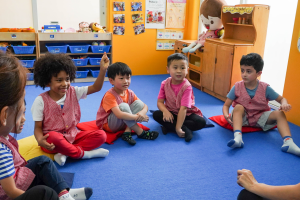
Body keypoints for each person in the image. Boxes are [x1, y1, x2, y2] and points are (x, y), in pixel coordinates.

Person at [0, 53, 92, 200]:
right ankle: (60, 194)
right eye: (21, 112)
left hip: (18, 174)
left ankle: (64, 193)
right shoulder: (2, 152)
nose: (24, 118)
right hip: (14, 190)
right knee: (45, 192)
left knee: (43, 162)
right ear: (4, 116)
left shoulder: (3, 135)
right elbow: (11, 193)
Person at [31, 53, 110, 166]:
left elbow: (96, 87)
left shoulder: (74, 91)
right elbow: (38, 128)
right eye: (59, 80)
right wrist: (40, 140)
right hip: (53, 143)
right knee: (54, 136)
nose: (65, 84)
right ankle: (86, 154)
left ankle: (67, 153)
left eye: (67, 79)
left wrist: (103, 70)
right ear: (48, 82)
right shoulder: (40, 101)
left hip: (73, 136)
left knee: (101, 135)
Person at [222, 53, 300, 156]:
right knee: (238, 107)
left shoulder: (265, 88)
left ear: (258, 73)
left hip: (260, 118)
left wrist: (285, 104)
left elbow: (282, 99)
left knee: (279, 114)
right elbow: (226, 105)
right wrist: (226, 115)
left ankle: (288, 143)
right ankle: (238, 138)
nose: (244, 74)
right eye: (242, 70)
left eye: (248, 71)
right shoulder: (237, 86)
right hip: (242, 118)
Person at [96, 62, 159, 146]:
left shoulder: (129, 92)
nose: (126, 81)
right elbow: (119, 115)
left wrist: (141, 114)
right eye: (121, 78)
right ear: (111, 80)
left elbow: (145, 106)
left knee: (139, 103)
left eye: (128, 78)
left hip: (123, 122)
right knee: (123, 106)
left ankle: (127, 132)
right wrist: (137, 117)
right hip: (110, 125)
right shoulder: (109, 95)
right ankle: (140, 132)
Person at [152, 53, 206, 142]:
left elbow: (184, 108)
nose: (179, 71)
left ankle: (170, 127)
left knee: (201, 122)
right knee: (156, 114)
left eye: (182, 68)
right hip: (171, 112)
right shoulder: (164, 83)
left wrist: (178, 128)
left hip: (187, 113)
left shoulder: (187, 86)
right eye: (175, 67)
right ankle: (185, 128)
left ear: (187, 70)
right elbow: (160, 102)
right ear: (168, 69)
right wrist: (165, 111)